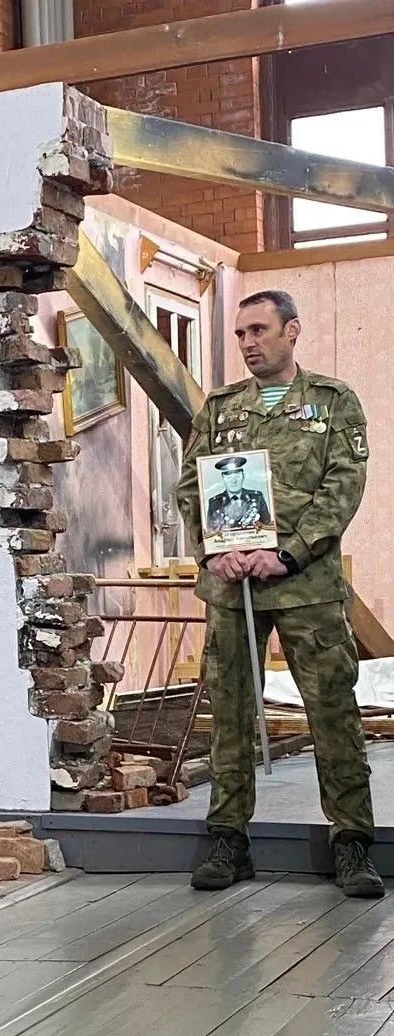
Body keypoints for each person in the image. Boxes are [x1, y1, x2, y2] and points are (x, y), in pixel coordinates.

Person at [177, 289, 383, 900]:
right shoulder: (220, 409)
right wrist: (213, 551)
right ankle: (228, 840)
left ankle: (352, 843)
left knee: (332, 711)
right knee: (230, 714)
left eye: (259, 330)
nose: (247, 343)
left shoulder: (333, 402)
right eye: (241, 333)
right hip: (231, 584)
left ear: (292, 331)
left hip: (305, 586)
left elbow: (343, 486)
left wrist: (288, 553)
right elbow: (190, 487)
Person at [205, 456, 271, 534]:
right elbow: (210, 532)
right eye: (229, 477)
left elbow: (268, 527)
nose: (234, 481)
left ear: (243, 476)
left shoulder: (257, 497)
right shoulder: (214, 502)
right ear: (223, 478)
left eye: (237, 476)